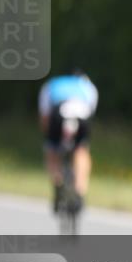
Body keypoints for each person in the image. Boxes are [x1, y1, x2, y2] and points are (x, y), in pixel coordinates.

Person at [38, 70, 98, 214]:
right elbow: (91, 113)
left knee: (52, 151)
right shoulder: (89, 86)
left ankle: (58, 183)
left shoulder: (50, 85)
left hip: (58, 114)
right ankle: (79, 191)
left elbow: (45, 118)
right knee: (81, 150)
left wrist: (51, 139)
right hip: (81, 116)